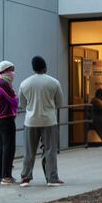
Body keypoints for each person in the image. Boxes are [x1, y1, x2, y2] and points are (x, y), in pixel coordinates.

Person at [19, 56, 64, 187]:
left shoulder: (25, 83)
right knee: (50, 149)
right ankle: (52, 178)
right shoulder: (54, 82)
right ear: (45, 67)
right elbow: (59, 103)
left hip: (30, 121)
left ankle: (25, 178)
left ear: (33, 68)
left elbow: (22, 104)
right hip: (49, 120)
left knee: (29, 150)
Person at [0, 61, 18, 185]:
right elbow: (13, 99)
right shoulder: (3, 83)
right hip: (6, 117)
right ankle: (6, 176)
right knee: (9, 147)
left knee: (2, 147)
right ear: (5, 70)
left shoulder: (0, 81)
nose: (13, 72)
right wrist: (17, 99)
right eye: (11, 69)